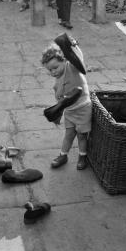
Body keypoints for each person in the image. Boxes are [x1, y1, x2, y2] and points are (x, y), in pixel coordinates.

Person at [41, 40, 92, 170]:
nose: (53, 72)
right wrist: (57, 114)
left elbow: (78, 58)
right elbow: (60, 102)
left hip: (83, 109)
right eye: (50, 70)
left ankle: (82, 156)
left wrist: (74, 46)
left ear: (64, 60)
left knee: (81, 135)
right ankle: (63, 155)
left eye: (55, 67)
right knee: (68, 135)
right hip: (69, 111)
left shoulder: (72, 68)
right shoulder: (56, 84)